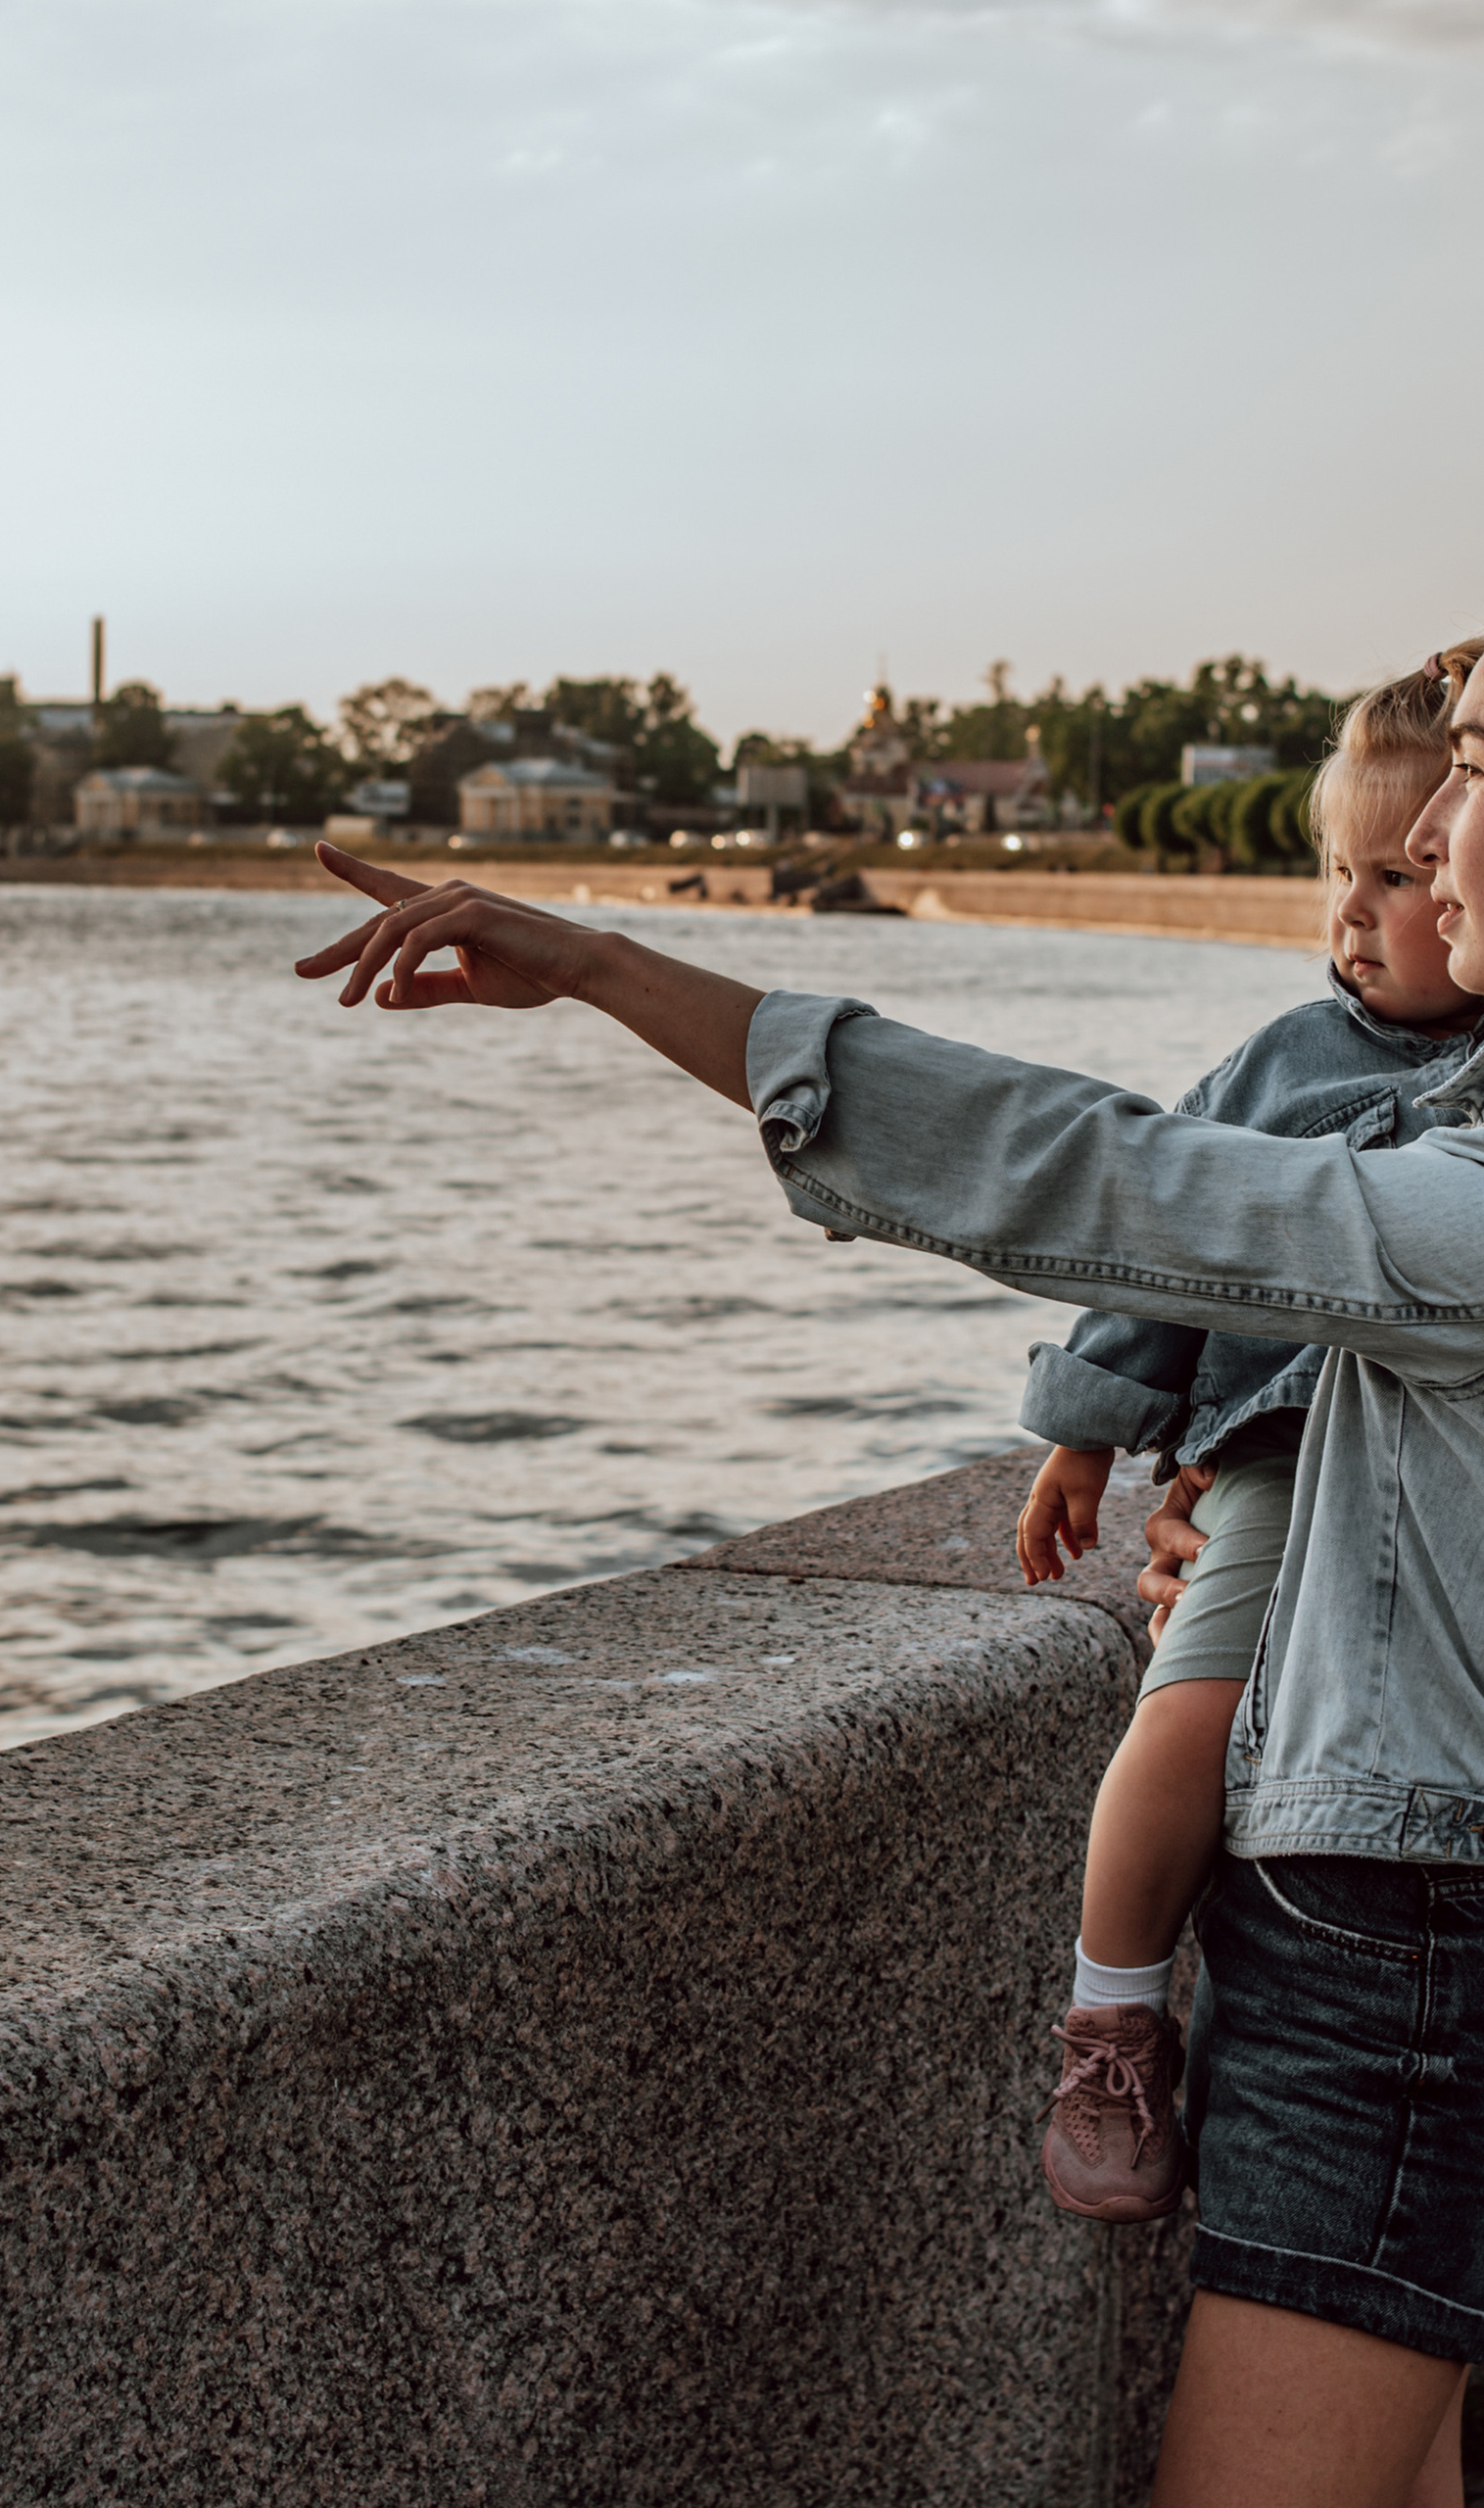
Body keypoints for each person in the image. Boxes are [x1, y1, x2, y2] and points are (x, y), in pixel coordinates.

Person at [292, 651, 1484, 2507]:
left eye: (1468, 780)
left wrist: (619, 970)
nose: (1425, 836)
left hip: (1414, 1955)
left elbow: (1093, 1176)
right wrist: (1300, 1478)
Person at [1011, 655, 1484, 2231]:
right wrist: (1090, 1434)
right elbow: (1153, 1230)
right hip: (1280, 1453)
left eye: (1399, 875)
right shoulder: (1289, 1060)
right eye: (1339, 874)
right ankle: (1114, 2014)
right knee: (1193, 1713)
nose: (1355, 915)